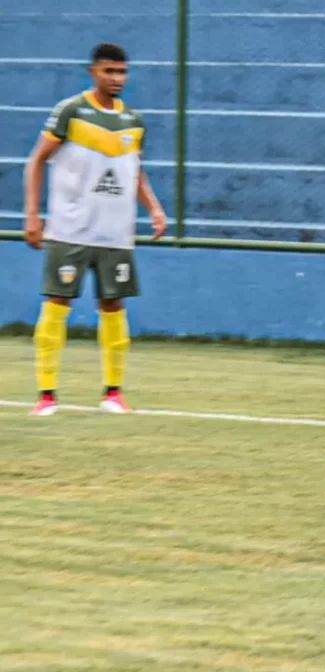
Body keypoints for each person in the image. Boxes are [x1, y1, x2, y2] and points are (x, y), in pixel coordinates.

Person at [24, 42, 166, 417]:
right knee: (58, 303)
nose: (117, 79)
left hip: (115, 234)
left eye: (122, 72)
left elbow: (134, 171)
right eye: (109, 71)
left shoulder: (132, 120)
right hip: (70, 231)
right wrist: (32, 216)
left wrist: (153, 208)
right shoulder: (70, 112)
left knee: (114, 305)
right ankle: (47, 395)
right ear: (93, 72)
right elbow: (36, 161)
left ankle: (113, 393)